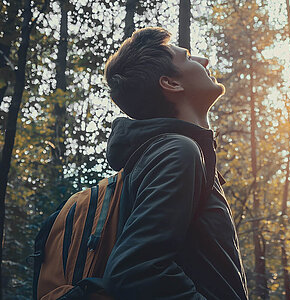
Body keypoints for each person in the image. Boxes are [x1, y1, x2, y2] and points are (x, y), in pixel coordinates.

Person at [102, 27, 248, 299]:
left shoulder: (174, 154)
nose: (204, 62)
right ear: (171, 83)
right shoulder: (178, 152)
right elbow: (134, 273)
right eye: (189, 58)